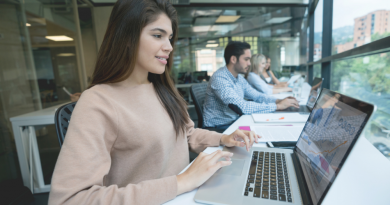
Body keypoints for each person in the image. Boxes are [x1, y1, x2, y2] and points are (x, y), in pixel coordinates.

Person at [48, 1, 260, 204]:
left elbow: (186, 134)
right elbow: (70, 200)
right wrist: (181, 182)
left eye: (169, 38)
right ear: (127, 36)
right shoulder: (98, 102)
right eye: (158, 35)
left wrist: (224, 138)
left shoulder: (162, 88)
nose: (168, 46)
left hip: (185, 195)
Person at [203, 41, 299, 130]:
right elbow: (242, 107)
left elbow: (257, 96)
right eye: (246, 59)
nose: (249, 63)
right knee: (265, 131)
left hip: (235, 121)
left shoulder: (239, 78)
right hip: (220, 128)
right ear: (233, 59)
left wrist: (278, 100)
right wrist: (277, 106)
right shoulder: (220, 78)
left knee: (271, 127)